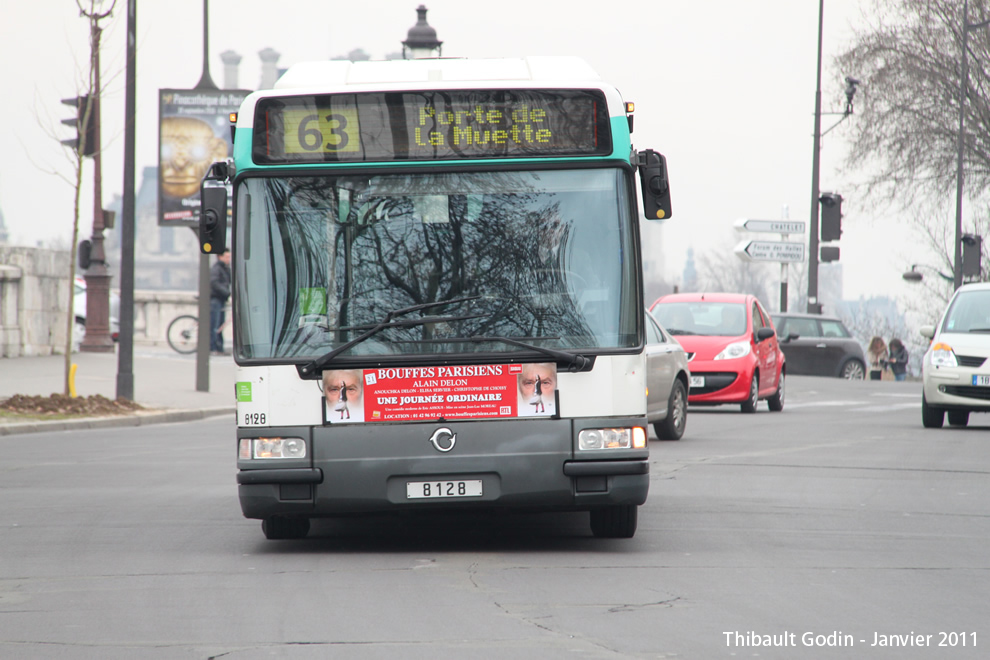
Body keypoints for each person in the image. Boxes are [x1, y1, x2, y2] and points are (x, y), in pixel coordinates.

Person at [209, 249, 231, 355]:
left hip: (221, 299)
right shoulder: (217, 268)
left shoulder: (225, 268)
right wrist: (227, 292)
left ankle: (219, 348)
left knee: (220, 325)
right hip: (215, 299)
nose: (228, 259)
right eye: (226, 257)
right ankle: (213, 348)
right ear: (220, 257)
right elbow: (214, 283)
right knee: (214, 325)